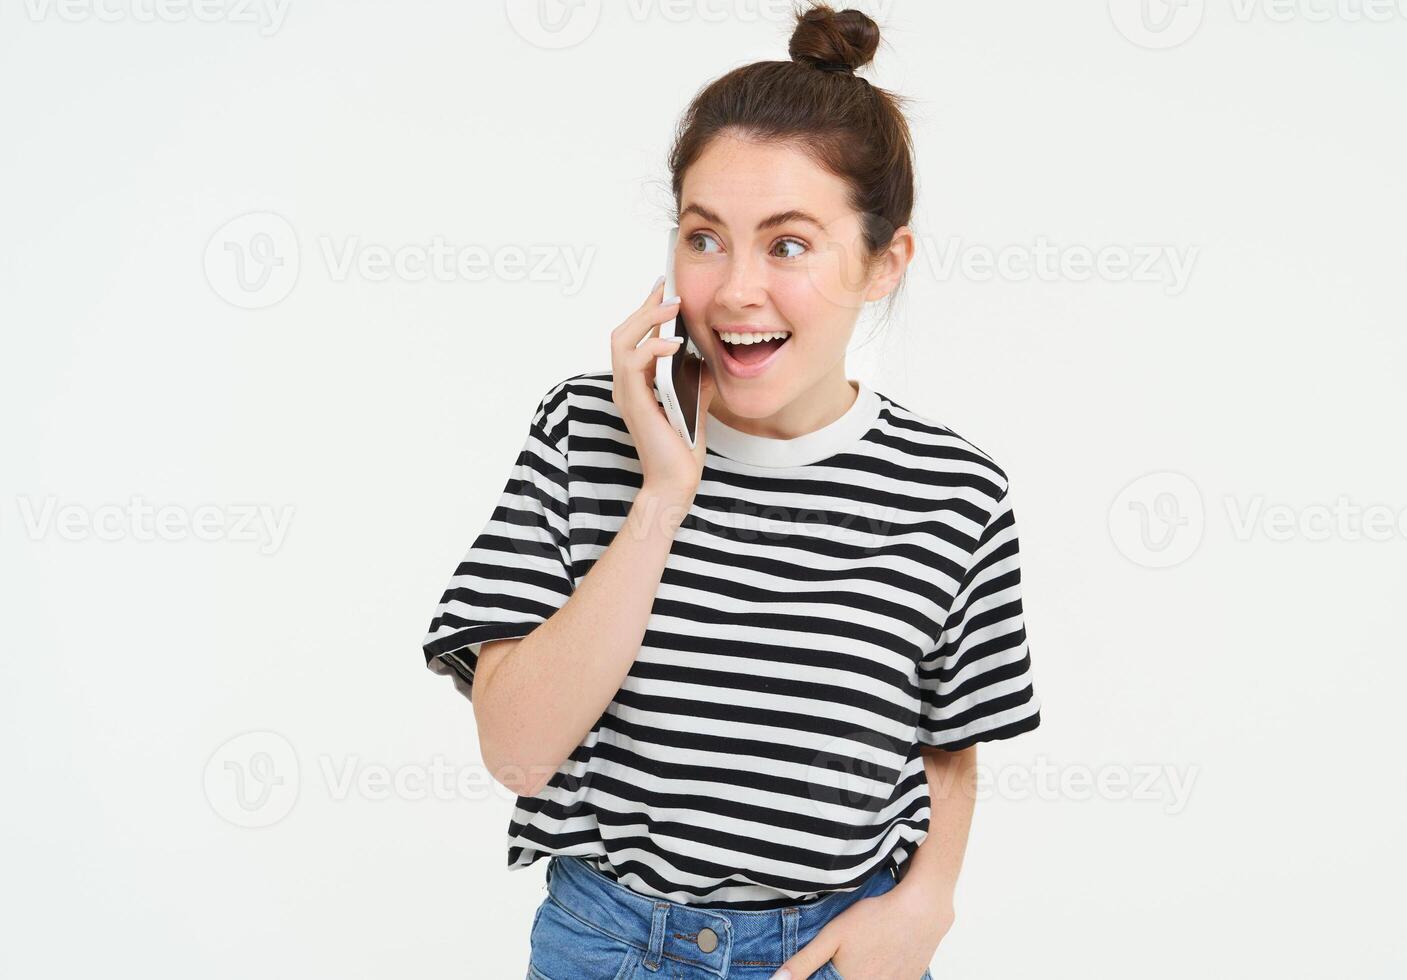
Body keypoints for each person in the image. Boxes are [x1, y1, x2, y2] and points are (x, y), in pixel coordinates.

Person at [422, 6, 1041, 978]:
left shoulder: (952, 493)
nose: (736, 288)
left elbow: (950, 738)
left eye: (787, 244)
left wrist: (926, 901)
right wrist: (663, 492)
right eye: (704, 238)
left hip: (833, 950)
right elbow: (516, 752)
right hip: (611, 943)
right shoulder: (584, 432)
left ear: (883, 262)